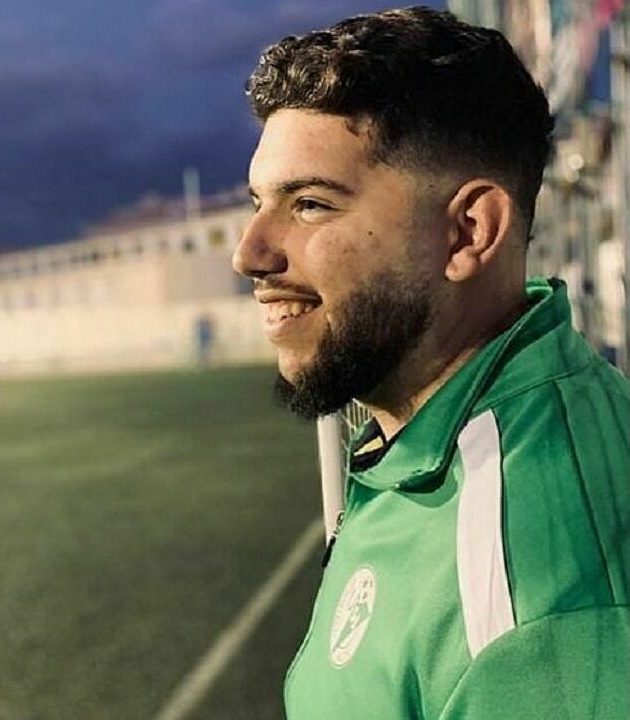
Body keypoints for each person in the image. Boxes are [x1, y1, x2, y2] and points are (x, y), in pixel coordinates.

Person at [232, 6, 629, 719]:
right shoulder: (435, 422)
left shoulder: (529, 600)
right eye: (259, 202)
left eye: (311, 204)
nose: (249, 253)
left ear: (467, 232)